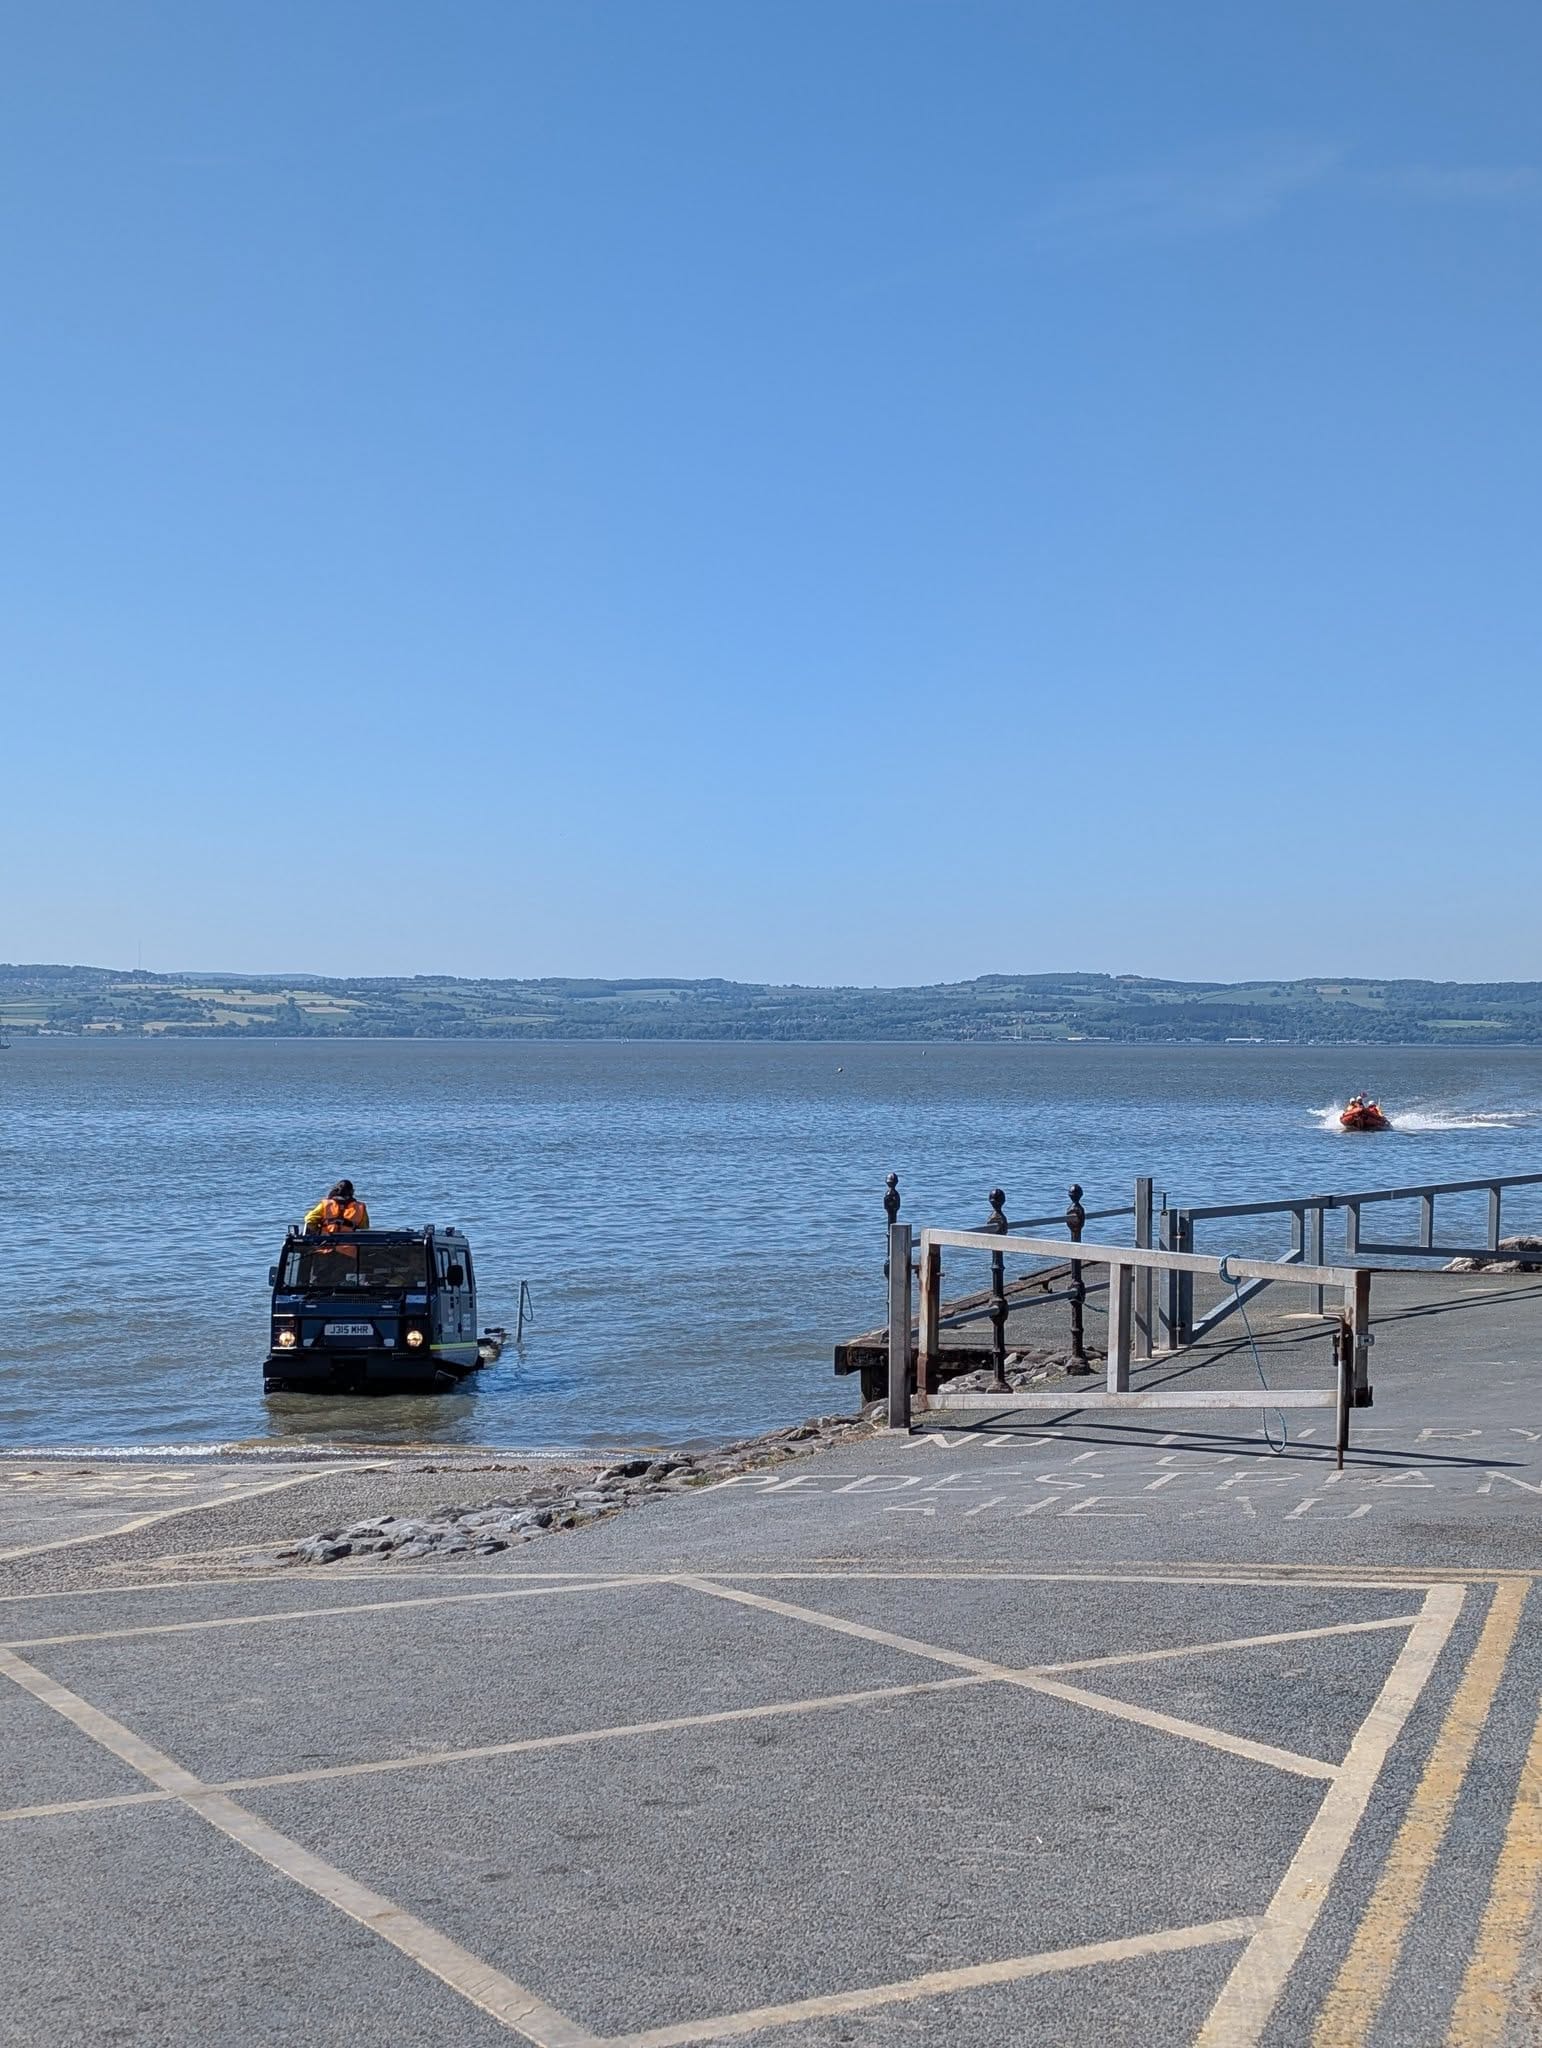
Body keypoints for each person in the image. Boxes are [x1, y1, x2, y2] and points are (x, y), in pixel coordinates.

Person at [305, 1179, 370, 1232]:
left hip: (326, 1243)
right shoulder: (360, 1207)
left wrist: (317, 1231)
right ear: (352, 1192)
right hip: (349, 1245)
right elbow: (364, 1228)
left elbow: (309, 1219)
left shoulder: (325, 1204)